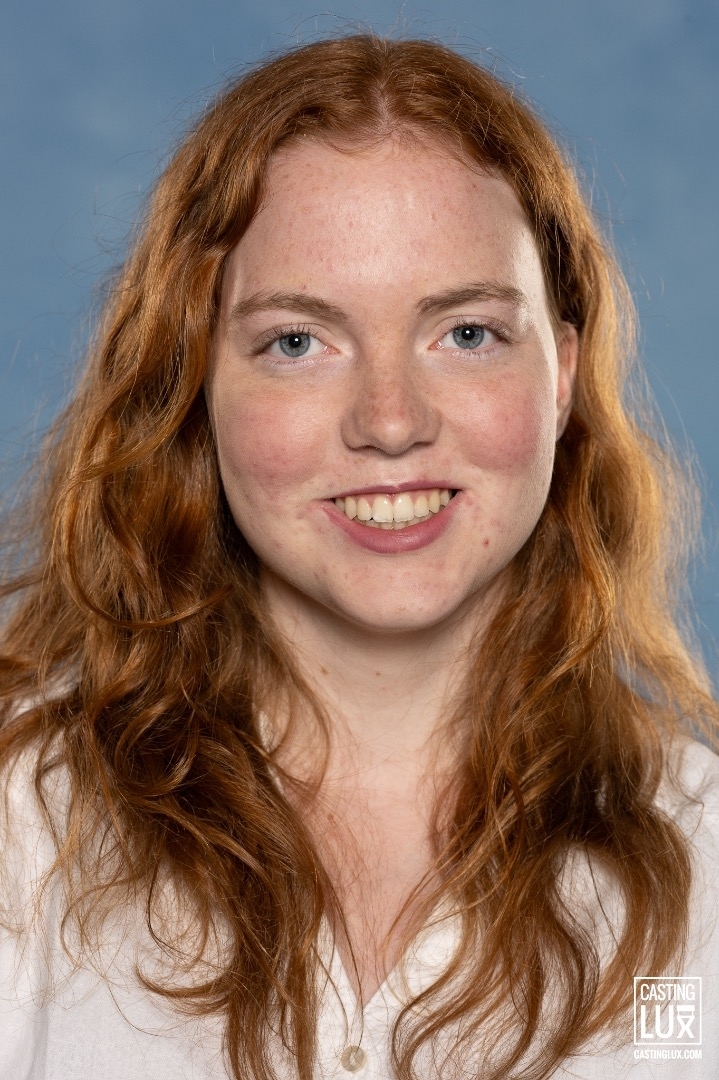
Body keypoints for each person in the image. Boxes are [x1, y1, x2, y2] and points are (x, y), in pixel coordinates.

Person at [0, 33, 717, 1080]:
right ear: (192, 383)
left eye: (465, 333)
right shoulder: (23, 825)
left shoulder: (703, 862)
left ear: (561, 375)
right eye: (297, 341)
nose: (389, 422)